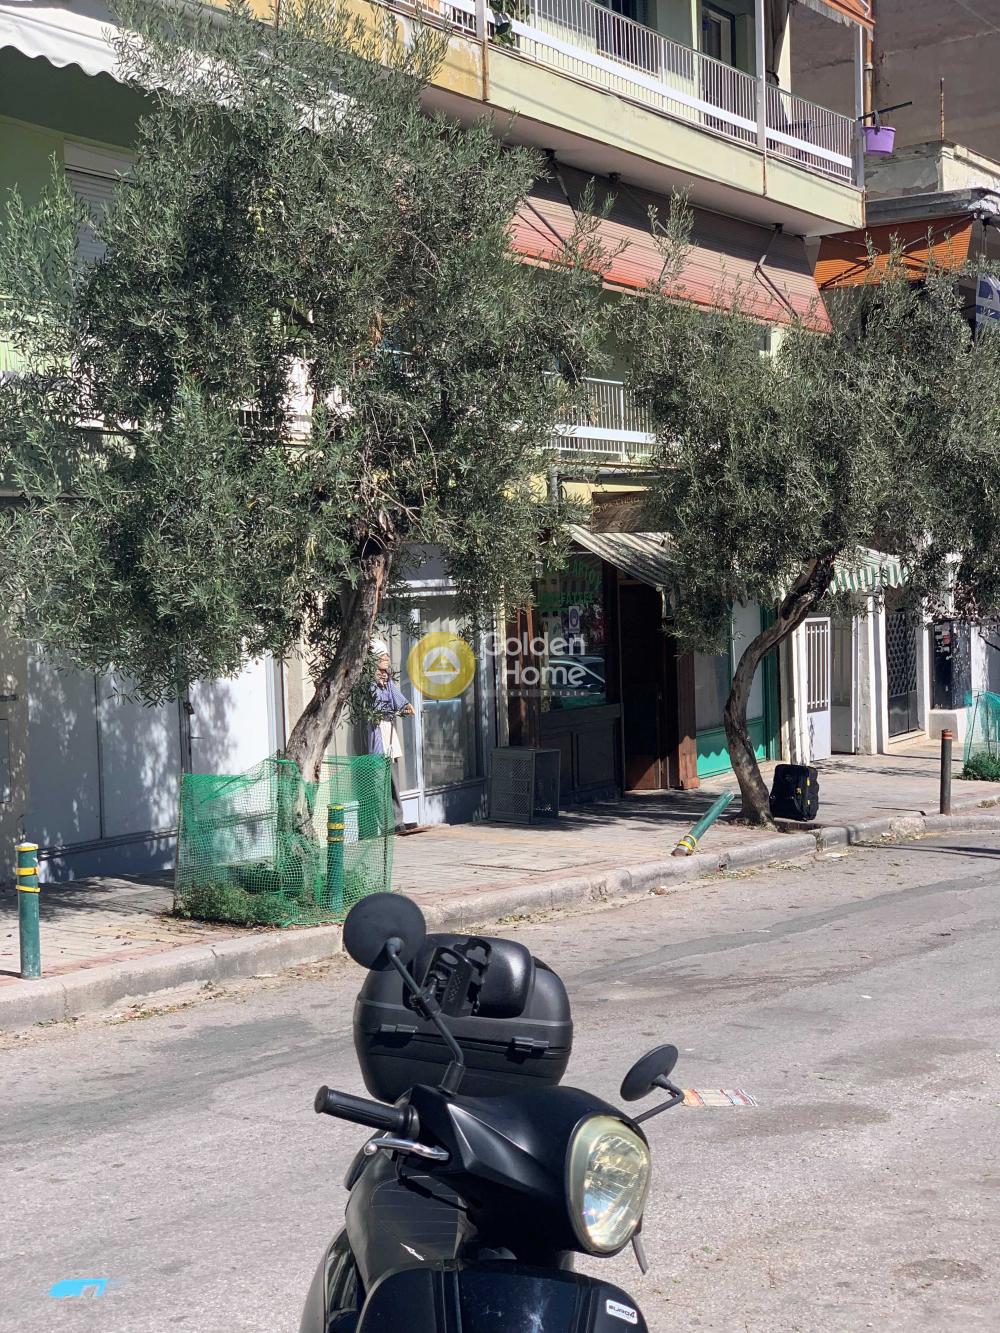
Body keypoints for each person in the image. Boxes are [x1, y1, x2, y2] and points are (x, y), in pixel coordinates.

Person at [368, 639, 422, 835]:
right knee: (378, 781)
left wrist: (405, 705)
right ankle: (384, 824)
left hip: (389, 730)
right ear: (374, 658)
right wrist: (395, 708)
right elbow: (377, 706)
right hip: (377, 731)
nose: (387, 658)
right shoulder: (370, 682)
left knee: (393, 778)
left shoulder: (387, 679)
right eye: (383, 655)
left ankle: (397, 820)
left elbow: (397, 700)